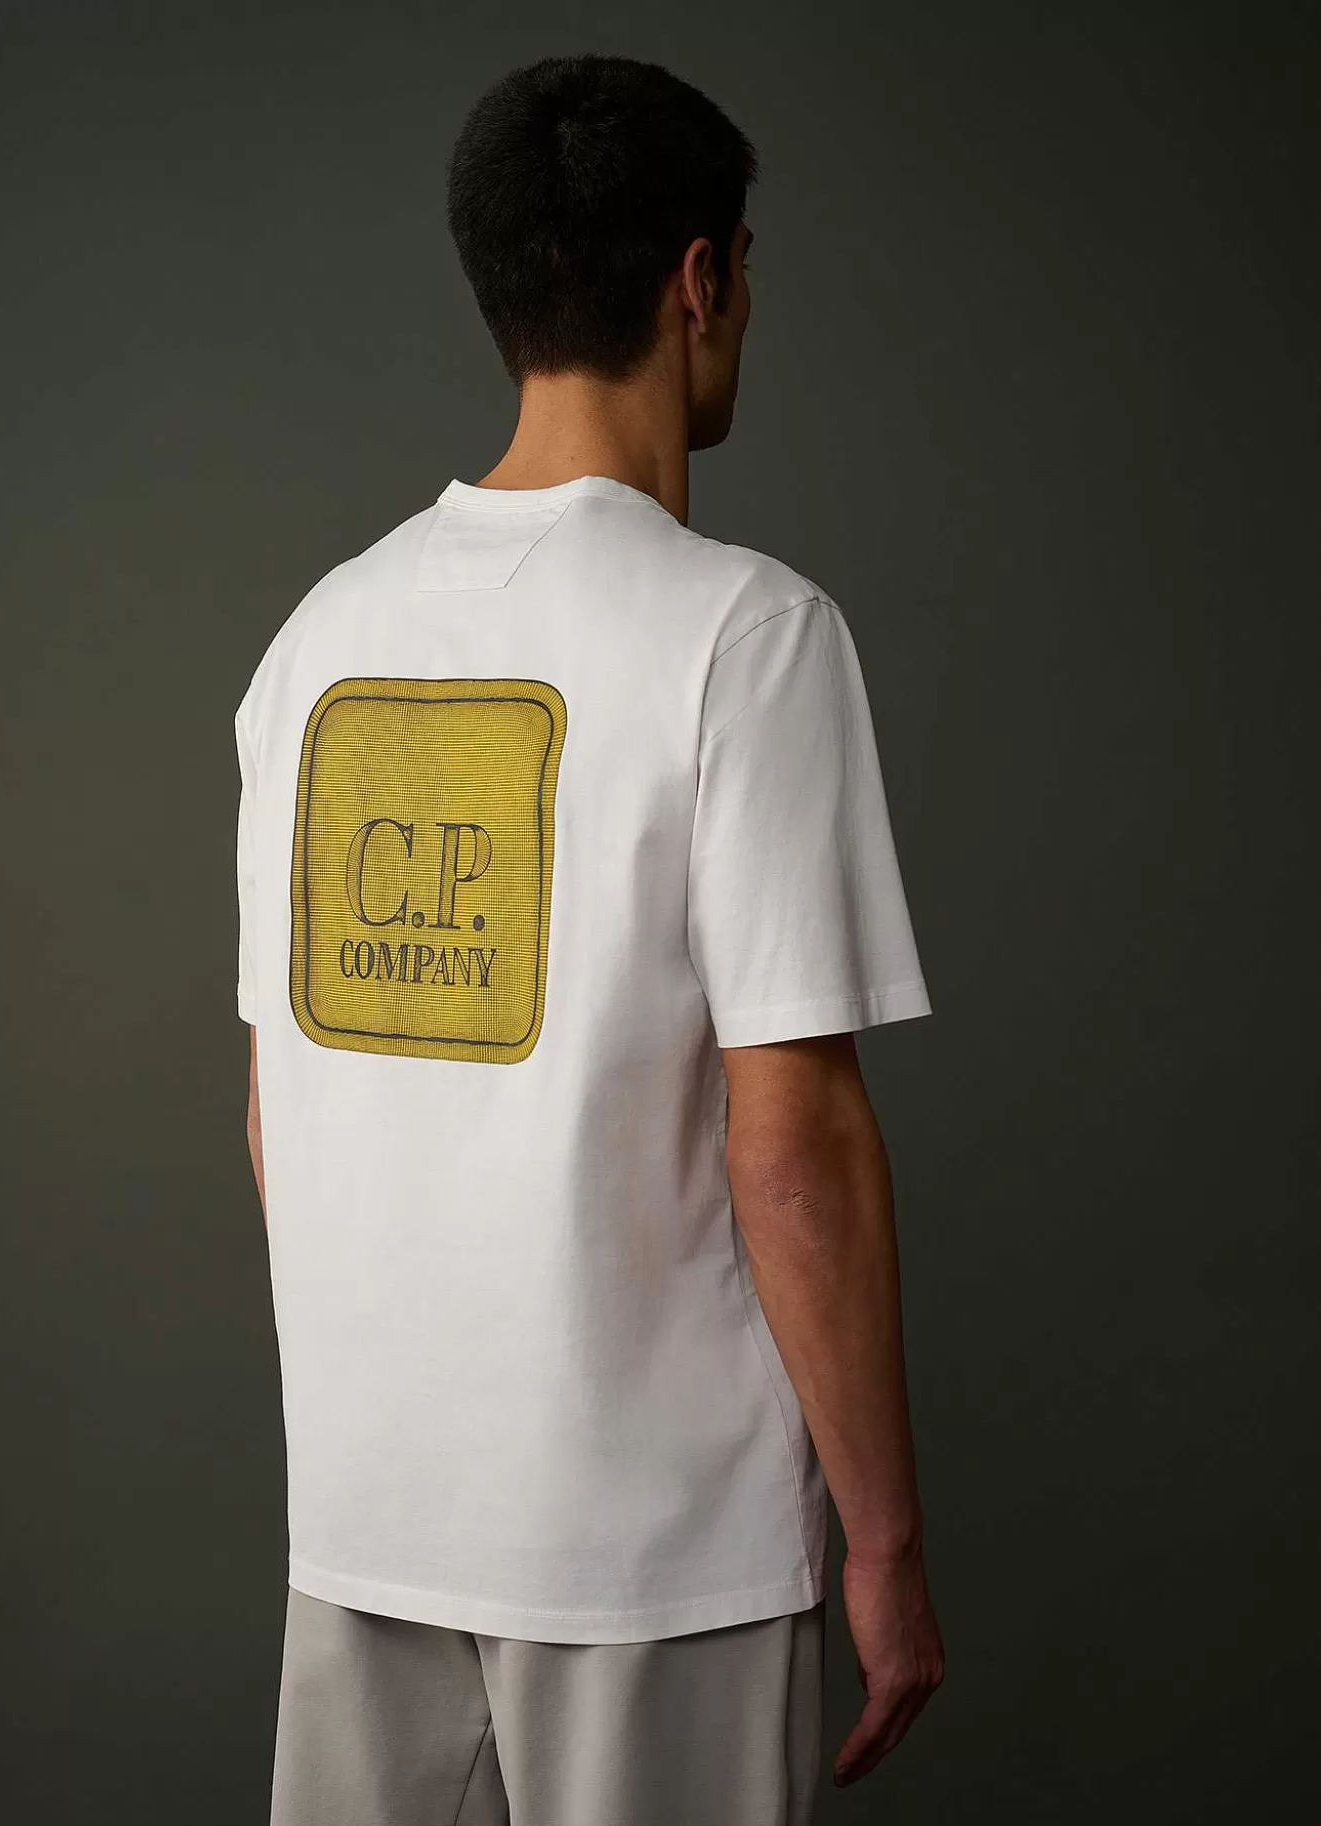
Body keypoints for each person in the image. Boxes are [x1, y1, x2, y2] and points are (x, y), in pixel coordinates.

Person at [234, 51, 944, 1826]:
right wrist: (884, 1540)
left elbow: (274, 1106)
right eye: (745, 270)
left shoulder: (317, 644)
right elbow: (794, 1142)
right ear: (701, 280)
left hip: (365, 1527)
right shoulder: (749, 636)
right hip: (657, 1558)